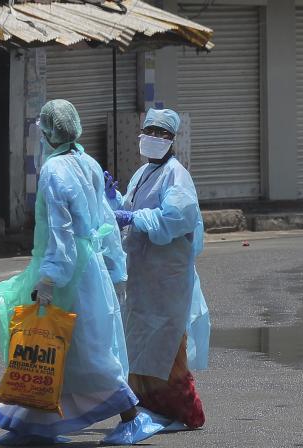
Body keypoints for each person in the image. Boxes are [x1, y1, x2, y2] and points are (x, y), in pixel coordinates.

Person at [0, 100, 163, 446]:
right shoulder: (89, 163)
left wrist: (49, 279)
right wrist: (116, 269)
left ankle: (131, 415)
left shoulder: (52, 171)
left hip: (71, 272)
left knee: (71, 348)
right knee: (66, 349)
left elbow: (59, 232)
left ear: (50, 132)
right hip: (92, 267)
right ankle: (32, 425)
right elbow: (106, 219)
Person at [105, 108, 210, 430]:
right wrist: (113, 198)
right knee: (139, 344)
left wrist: (135, 218)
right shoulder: (143, 173)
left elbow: (177, 219)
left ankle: (186, 413)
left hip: (167, 279)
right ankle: (150, 409)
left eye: (161, 134)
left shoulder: (177, 175)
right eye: (149, 131)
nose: (153, 138)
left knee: (166, 346)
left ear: (172, 139)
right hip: (143, 278)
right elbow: (129, 210)